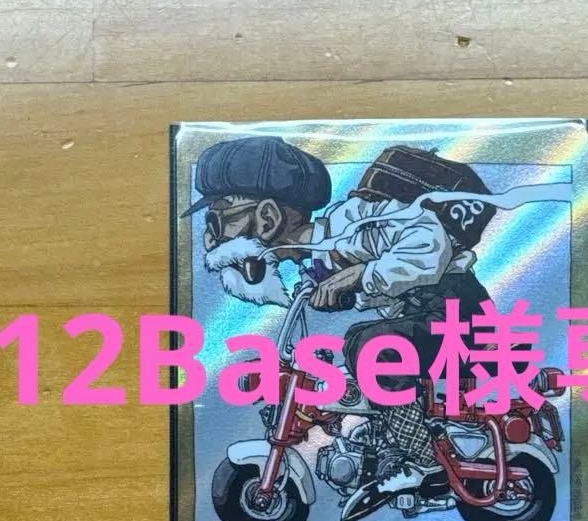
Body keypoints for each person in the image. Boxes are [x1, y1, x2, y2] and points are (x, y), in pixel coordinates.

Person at [186, 135, 491, 499]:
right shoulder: (320, 261)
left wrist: (361, 275)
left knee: (374, 348)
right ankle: (384, 446)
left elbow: (428, 243)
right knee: (351, 358)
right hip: (428, 317)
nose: (210, 241)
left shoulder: (356, 220)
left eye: (217, 222)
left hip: (459, 313)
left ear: (267, 219)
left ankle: (425, 461)